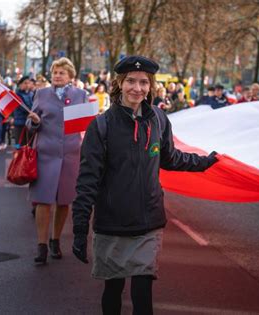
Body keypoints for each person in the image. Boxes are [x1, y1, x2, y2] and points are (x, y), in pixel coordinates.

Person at [71, 55, 218, 315]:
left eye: (143, 82)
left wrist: (205, 162)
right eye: (130, 81)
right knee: (113, 289)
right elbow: (87, 181)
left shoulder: (159, 119)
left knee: (142, 292)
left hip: (148, 221)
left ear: (150, 86)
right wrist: (80, 228)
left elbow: (171, 158)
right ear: (119, 83)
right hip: (112, 223)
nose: (137, 88)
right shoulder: (101, 126)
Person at [26, 57, 88, 265]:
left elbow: (85, 124)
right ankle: (41, 246)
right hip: (46, 154)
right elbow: (29, 123)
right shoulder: (41, 93)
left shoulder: (81, 95)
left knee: (63, 201)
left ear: (70, 76)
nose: (57, 75)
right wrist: (34, 122)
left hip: (71, 155)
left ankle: (55, 240)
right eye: (55, 72)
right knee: (43, 200)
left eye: (61, 72)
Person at [13, 76, 34, 147]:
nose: (27, 85)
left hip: (29, 123)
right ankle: (18, 157)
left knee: (29, 146)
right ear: (20, 84)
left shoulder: (31, 94)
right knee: (19, 145)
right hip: (20, 123)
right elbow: (24, 108)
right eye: (25, 83)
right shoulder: (17, 95)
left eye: (28, 83)